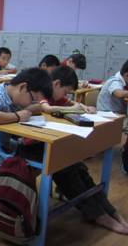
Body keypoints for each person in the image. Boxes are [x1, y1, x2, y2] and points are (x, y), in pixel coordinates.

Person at [25, 66, 128, 234]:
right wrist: (75, 108)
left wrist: (84, 107)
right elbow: (48, 109)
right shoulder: (43, 92)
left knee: (80, 169)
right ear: (56, 84)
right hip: (35, 145)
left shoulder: (59, 97)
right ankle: (99, 215)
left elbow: (72, 103)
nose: (65, 96)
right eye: (65, 91)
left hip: (53, 143)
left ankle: (110, 211)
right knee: (66, 172)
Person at [97, 59, 128, 173]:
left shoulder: (121, 80)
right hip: (108, 114)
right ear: (127, 75)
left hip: (116, 113)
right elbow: (118, 93)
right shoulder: (115, 81)